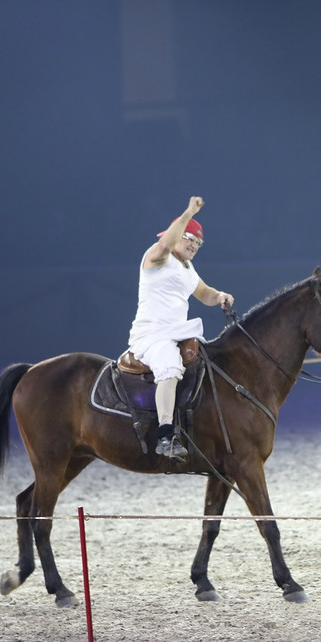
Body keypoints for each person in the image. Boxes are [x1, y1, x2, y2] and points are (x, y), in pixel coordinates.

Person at [128, 196, 234, 461]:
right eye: (190, 239)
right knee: (170, 365)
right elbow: (166, 243)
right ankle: (165, 435)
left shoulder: (187, 268)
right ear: (177, 236)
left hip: (178, 332)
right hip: (152, 335)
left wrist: (219, 295)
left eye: (199, 243)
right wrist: (189, 212)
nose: (195, 246)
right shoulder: (157, 256)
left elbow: (204, 293)